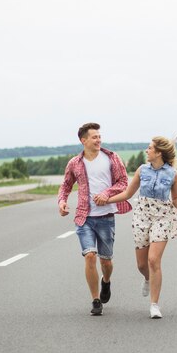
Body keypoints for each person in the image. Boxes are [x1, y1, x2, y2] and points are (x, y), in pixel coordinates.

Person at [106, 137, 177, 319]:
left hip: (163, 217)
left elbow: (175, 198)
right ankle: (148, 278)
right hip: (142, 215)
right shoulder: (142, 170)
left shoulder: (174, 174)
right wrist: (107, 201)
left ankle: (154, 305)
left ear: (158, 152)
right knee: (142, 265)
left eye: (149, 148)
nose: (146, 150)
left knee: (153, 260)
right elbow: (127, 193)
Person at [58, 122, 131, 316]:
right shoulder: (75, 163)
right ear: (83, 141)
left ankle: (106, 282)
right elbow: (66, 185)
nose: (98, 140)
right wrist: (62, 202)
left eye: (99, 136)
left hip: (106, 217)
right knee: (90, 256)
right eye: (94, 137)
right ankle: (96, 299)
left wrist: (107, 193)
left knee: (106, 261)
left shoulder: (112, 158)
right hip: (84, 217)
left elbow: (124, 182)